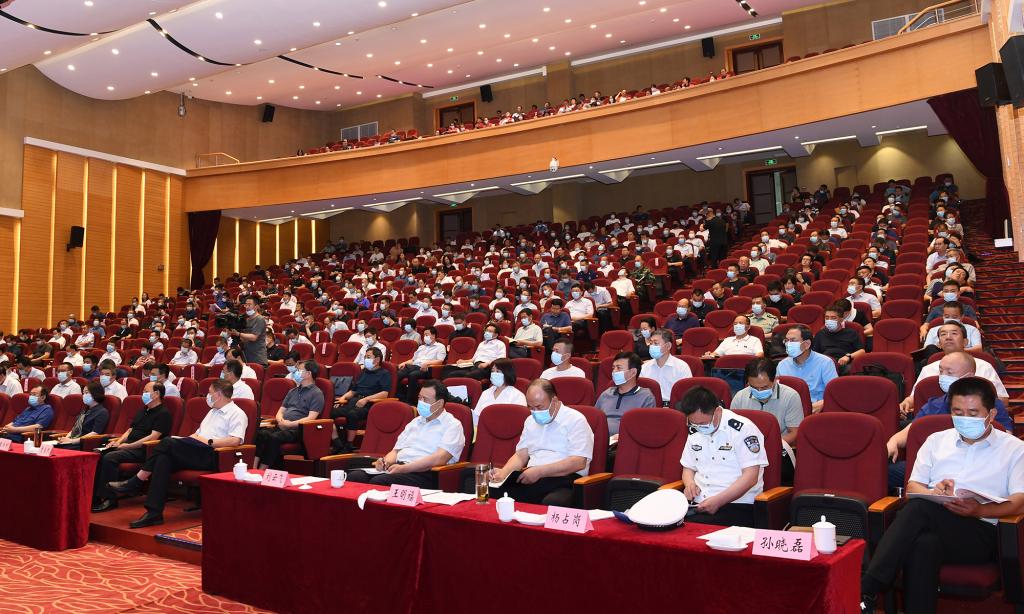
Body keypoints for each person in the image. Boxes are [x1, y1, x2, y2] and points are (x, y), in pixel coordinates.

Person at [860, 377, 1024, 614]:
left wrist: (980, 509)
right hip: (936, 522)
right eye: (958, 412)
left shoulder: (1014, 449)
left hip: (983, 531)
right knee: (924, 543)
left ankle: (868, 587)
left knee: (919, 509)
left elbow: (1020, 501)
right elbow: (913, 487)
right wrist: (934, 493)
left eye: (973, 413)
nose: (964, 418)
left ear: (991, 414)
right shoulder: (936, 441)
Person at [109, 379, 248, 528]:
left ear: (219, 394)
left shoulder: (237, 413)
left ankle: (136, 481)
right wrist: (188, 439)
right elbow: (198, 434)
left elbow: (235, 440)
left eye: (210, 393)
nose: (207, 396)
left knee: (166, 442)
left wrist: (208, 442)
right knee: (163, 459)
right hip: (196, 449)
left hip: (213, 454)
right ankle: (154, 513)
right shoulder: (212, 411)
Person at [886, 352, 1013, 488]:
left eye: (949, 372)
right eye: (941, 371)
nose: (943, 376)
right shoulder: (933, 404)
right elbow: (912, 430)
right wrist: (894, 441)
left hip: (982, 463)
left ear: (969, 376)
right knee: (885, 471)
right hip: (936, 464)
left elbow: (1006, 437)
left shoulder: (991, 404)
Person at [488, 379, 594, 506]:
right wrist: (503, 473)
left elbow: (578, 462)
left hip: (565, 479)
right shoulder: (530, 421)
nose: (535, 412)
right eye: (531, 408)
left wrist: (540, 472)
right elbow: (521, 455)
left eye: (539, 407)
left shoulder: (575, 420)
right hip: (533, 477)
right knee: (490, 491)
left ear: (554, 401)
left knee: (553, 501)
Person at [677, 386, 768, 527]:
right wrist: (689, 484)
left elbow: (751, 477)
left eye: (702, 423)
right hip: (699, 504)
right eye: (693, 423)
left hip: (736, 504)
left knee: (692, 531)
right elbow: (688, 467)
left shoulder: (743, 429)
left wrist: (718, 501)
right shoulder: (695, 430)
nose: (699, 427)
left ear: (718, 411)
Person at [349, 380, 466, 487]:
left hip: (426, 473)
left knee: (379, 482)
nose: (421, 402)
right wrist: (385, 462)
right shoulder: (415, 422)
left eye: (425, 400)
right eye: (419, 398)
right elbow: (396, 451)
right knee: (355, 477)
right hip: (400, 467)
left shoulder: (453, 425)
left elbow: (440, 459)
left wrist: (405, 468)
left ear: (439, 403)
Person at [91, 381, 173, 513]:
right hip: (128, 446)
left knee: (110, 457)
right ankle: (95, 496)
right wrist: (118, 442)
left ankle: (110, 499)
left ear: (157, 394)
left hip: (144, 450)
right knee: (99, 454)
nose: (143, 394)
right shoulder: (143, 410)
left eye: (146, 391)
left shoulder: (163, 413)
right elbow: (130, 430)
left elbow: (153, 437)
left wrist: (128, 446)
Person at [901, 322, 1009, 414]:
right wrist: (906, 403)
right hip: (935, 419)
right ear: (939, 344)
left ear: (965, 342)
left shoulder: (984, 366)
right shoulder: (928, 369)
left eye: (954, 333)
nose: (948, 337)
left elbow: (1003, 400)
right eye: (943, 334)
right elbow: (915, 397)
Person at [730, 359, 802, 483]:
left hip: (778, 451)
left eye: (764, 387)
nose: (759, 391)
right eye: (753, 387)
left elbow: (795, 432)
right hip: (744, 453)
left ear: (774, 380)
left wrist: (768, 446)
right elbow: (731, 431)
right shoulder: (740, 397)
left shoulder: (791, 396)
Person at [254, 360, 325, 469]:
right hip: (283, 425)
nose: (296, 372)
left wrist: (289, 424)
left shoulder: (317, 393)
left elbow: (311, 418)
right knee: (261, 434)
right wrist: (280, 420)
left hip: (298, 430)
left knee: (274, 438)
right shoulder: (292, 391)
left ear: (308, 373)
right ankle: (253, 468)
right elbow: (280, 411)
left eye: (299, 370)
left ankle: (262, 470)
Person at [332, 347, 392, 452]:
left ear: (377, 359)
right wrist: (343, 398)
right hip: (354, 401)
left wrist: (366, 399)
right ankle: (337, 443)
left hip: (370, 405)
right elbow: (353, 391)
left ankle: (349, 445)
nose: (365, 359)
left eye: (368, 357)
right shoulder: (364, 372)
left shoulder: (384, 373)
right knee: (329, 412)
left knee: (352, 414)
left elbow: (384, 394)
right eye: (365, 357)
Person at [776, 325, 837, 413]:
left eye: (793, 340)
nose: (788, 344)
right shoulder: (782, 365)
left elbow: (835, 392)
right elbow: (777, 392)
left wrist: (824, 402)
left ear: (807, 344)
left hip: (815, 409)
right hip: (789, 410)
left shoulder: (825, 362)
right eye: (786, 340)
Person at [595, 352, 656, 435]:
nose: (614, 371)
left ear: (633, 372)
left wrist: (624, 436)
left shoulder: (646, 396)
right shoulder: (606, 393)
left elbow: (645, 428)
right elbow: (595, 419)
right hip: (600, 438)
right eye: (613, 368)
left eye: (619, 368)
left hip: (627, 439)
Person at [396, 327, 447, 404]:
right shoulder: (421, 347)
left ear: (433, 335)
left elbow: (440, 361)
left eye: (427, 334)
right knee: (397, 374)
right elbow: (413, 360)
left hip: (427, 369)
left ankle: (410, 402)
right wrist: (404, 362)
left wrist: (427, 363)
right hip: (414, 366)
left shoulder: (440, 347)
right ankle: (400, 397)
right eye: (424, 335)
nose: (425, 337)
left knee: (412, 375)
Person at [639, 329, 691, 405]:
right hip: (650, 407)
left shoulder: (682, 367)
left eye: (656, 343)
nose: (652, 346)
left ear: (668, 346)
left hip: (673, 407)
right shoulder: (644, 368)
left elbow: (687, 395)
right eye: (651, 343)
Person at [54, 380, 109, 449]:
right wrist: (65, 439)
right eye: (83, 393)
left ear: (95, 394)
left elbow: (95, 433)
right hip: (74, 440)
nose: (84, 395)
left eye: (86, 393)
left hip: (85, 444)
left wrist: (72, 441)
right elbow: (75, 428)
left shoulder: (102, 412)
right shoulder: (85, 410)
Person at [812, 303, 865, 374]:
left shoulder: (851, 333)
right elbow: (814, 354)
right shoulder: (820, 334)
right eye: (827, 318)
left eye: (833, 318)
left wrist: (848, 357)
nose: (829, 320)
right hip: (825, 363)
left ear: (841, 319)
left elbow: (862, 351)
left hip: (845, 363)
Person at [440, 323, 506, 380]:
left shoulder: (500, 344)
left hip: (487, 368)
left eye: (490, 331)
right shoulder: (481, 344)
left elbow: (501, 359)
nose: (487, 333)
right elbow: (474, 359)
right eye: (486, 330)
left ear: (496, 334)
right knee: (448, 369)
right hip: (474, 366)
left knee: (469, 375)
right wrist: (464, 361)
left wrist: (487, 364)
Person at [472, 359, 526, 426]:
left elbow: (518, 421)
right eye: (492, 371)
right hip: (485, 429)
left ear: (507, 373)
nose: (494, 374)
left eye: (498, 371)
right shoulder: (485, 393)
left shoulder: (518, 396)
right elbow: (477, 417)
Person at [235, 296, 268, 365]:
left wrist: (238, 334)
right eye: (245, 304)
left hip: (258, 357)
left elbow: (254, 337)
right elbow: (244, 338)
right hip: (247, 356)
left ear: (256, 306)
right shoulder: (247, 320)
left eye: (249, 304)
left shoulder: (260, 319)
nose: (247, 307)